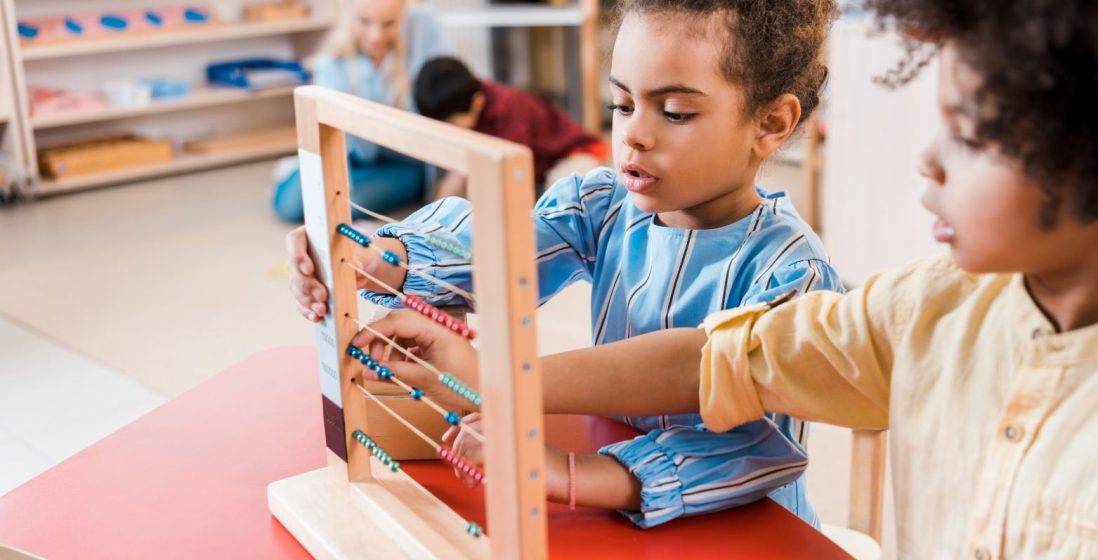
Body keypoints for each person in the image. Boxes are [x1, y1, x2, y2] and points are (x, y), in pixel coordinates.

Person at [355, 0, 1098, 556]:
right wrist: (389, 267)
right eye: (623, 103)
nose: (926, 158)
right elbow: (719, 361)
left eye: (974, 135)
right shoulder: (925, 311)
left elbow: (744, 424)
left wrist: (525, 409)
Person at [288, 0, 839, 530]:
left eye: (675, 112)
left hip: (746, 535)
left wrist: (569, 470)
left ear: (770, 123)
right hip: (623, 519)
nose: (633, 135)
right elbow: (499, 248)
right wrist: (379, 260)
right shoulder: (603, 206)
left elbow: (749, 438)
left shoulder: (794, 276)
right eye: (621, 105)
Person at [271, 0, 447, 223]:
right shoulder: (332, 63)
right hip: (357, 155)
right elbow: (354, 146)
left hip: (404, 160)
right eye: (365, 21)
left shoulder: (421, 35)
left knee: (337, 205)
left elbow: (438, 108)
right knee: (292, 204)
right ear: (349, 14)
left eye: (389, 23)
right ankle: (295, 172)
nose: (376, 36)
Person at [413, 56, 610, 199]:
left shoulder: (507, 108)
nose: (449, 132)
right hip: (533, 170)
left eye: (453, 125)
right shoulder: (455, 109)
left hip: (568, 154)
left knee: (568, 193)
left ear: (477, 103)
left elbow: (515, 174)